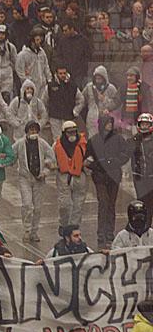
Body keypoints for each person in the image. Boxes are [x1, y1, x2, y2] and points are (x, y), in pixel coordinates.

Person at [85, 115, 130, 248]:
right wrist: (98, 166)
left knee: (111, 204)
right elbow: (87, 158)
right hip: (100, 177)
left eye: (111, 123)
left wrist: (115, 162)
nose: (109, 125)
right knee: (103, 203)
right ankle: (101, 233)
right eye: (107, 123)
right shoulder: (94, 140)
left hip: (113, 176)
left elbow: (126, 153)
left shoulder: (118, 139)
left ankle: (109, 233)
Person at [12, 121, 56, 243]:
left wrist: (45, 172)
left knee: (37, 207)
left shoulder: (42, 144)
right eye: (31, 130)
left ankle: (34, 231)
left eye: (35, 130)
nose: (33, 132)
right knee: (27, 205)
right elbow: (10, 155)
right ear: (27, 131)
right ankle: (27, 229)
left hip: (39, 179)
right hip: (25, 178)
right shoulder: (20, 144)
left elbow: (51, 158)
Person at [53, 120, 88, 232]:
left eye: (74, 132)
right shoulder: (56, 145)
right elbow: (51, 159)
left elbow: (89, 157)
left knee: (78, 205)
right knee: (64, 205)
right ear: (64, 133)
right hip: (63, 177)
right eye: (69, 132)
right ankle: (63, 225)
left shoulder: (83, 144)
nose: (72, 134)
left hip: (79, 176)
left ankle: (74, 228)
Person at [44, 63, 85, 141]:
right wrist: (46, 115)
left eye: (64, 73)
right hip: (55, 118)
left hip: (68, 117)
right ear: (56, 74)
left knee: (69, 138)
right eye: (60, 73)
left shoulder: (72, 86)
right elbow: (44, 101)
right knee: (57, 140)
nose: (62, 75)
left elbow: (81, 100)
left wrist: (75, 112)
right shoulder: (50, 86)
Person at [79, 65, 120, 138]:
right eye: (96, 78)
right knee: (93, 138)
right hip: (92, 118)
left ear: (104, 78)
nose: (97, 80)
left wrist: (105, 99)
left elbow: (116, 103)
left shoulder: (111, 88)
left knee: (106, 138)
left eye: (100, 78)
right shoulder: (89, 87)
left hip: (106, 119)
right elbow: (82, 100)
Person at [15, 28, 51, 102]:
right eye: (37, 39)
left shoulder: (42, 52)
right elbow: (19, 70)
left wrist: (49, 79)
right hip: (30, 86)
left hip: (42, 85)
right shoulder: (23, 54)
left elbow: (46, 67)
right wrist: (26, 81)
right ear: (32, 40)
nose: (40, 41)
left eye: (41, 39)